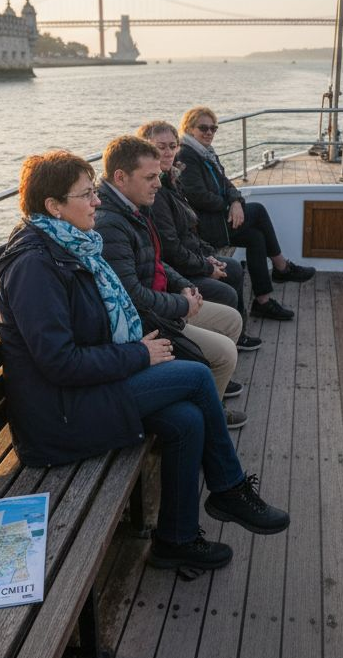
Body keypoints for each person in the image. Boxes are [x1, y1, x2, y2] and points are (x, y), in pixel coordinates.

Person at [0, 150, 289, 570]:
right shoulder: (34, 267)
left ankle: (176, 540)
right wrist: (138, 355)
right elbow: (59, 363)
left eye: (94, 191)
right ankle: (229, 489)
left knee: (187, 420)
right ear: (54, 207)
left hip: (83, 395)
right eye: (86, 194)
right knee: (198, 377)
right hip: (59, 418)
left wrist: (139, 348)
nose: (96, 201)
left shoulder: (70, 246)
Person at [93, 135, 249, 425]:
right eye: (151, 176)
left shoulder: (134, 208)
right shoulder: (110, 224)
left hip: (163, 304)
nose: (159, 183)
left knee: (231, 320)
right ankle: (211, 416)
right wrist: (180, 304)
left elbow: (156, 260)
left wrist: (183, 287)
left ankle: (213, 394)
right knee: (225, 352)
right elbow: (133, 296)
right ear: (121, 177)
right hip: (149, 321)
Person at [175, 106, 315, 321]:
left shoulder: (206, 152)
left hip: (220, 220)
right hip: (206, 227)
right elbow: (198, 196)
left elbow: (226, 182)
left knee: (256, 238)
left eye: (214, 128)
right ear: (188, 129)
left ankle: (263, 301)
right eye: (203, 127)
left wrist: (236, 201)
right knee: (257, 210)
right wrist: (228, 205)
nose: (209, 132)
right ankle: (281, 266)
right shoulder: (186, 154)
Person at [138, 119, 262, 352]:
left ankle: (236, 336)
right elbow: (170, 248)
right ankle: (220, 348)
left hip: (188, 258)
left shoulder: (171, 180)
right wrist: (205, 267)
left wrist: (207, 256)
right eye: (160, 146)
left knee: (234, 266)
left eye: (172, 146)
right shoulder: (155, 192)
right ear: (144, 149)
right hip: (175, 269)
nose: (167, 152)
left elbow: (186, 232)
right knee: (226, 286)